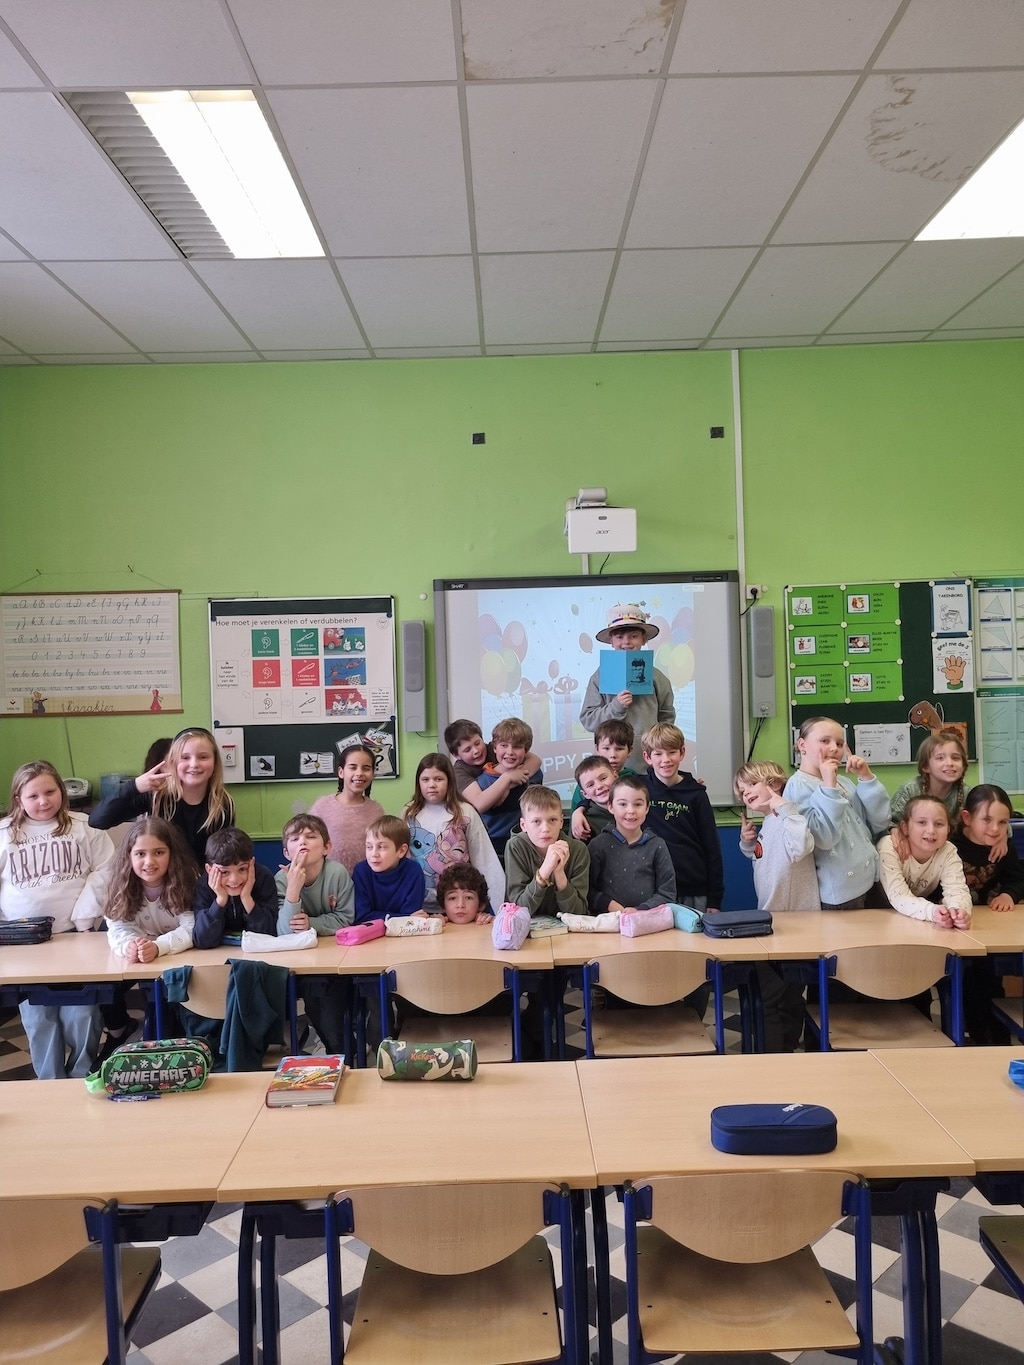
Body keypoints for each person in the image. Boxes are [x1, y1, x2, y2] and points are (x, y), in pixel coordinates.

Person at [0, 760, 115, 1078]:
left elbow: (106, 870)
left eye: (50, 792)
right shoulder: (4, 833)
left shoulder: (86, 826)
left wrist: (84, 917)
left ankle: (80, 1076)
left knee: (83, 1013)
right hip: (23, 944)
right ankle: (49, 1081)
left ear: (62, 792)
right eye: (33, 796)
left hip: (75, 937)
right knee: (39, 1017)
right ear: (18, 799)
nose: (43, 801)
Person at [736, 760, 818, 1052]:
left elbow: (800, 848)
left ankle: (776, 1055)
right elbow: (763, 858)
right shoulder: (769, 823)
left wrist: (786, 809)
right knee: (782, 998)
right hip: (774, 922)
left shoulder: (788, 818)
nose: (745, 794)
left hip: (794, 926)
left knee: (777, 999)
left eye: (751, 785)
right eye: (741, 791)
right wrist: (748, 843)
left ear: (775, 785)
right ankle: (783, 1050)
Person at [89, 726, 235, 868]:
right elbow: (97, 820)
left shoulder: (222, 804)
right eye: (185, 757)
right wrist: (134, 786)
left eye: (203, 757)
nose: (194, 764)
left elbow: (221, 857)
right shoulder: (157, 796)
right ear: (174, 762)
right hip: (162, 879)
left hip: (202, 880)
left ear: (215, 762)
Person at [783, 717, 890, 911]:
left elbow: (879, 822)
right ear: (802, 745)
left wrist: (866, 778)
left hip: (870, 879)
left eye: (840, 743)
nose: (834, 748)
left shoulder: (844, 781)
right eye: (825, 741)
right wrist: (828, 786)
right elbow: (823, 839)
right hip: (841, 894)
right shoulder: (797, 786)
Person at [276, 814, 354, 1055]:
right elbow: (285, 932)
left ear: (326, 847)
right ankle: (330, 1047)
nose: (303, 842)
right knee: (314, 1010)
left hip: (337, 960)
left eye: (310, 837)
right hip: (302, 964)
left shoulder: (337, 873)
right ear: (286, 853)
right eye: (295, 839)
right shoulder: (281, 879)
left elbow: (346, 918)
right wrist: (293, 889)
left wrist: (312, 924)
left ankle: (343, 1051)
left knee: (332, 1017)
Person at [952, 784, 1024, 1044]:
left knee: (989, 981)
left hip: (987, 931)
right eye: (987, 820)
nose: (995, 829)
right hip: (955, 928)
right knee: (967, 983)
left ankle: (996, 1041)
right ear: (967, 818)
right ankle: (976, 1037)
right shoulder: (950, 846)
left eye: (1002, 822)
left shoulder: (1004, 847)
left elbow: (1017, 880)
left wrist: (1008, 895)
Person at [403, 753, 505, 911]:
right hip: (420, 907)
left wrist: (496, 909)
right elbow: (400, 860)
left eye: (438, 779)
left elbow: (485, 860)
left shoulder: (465, 812)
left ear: (449, 781)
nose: (432, 785)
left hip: (460, 907)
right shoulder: (408, 814)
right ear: (418, 783)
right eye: (425, 779)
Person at [579, 605, 675, 771]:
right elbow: (588, 720)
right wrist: (616, 706)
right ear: (611, 641)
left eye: (634, 636)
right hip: (612, 767)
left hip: (649, 765)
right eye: (619, 637)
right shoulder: (600, 677)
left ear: (644, 639)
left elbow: (666, 718)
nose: (626, 642)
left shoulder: (657, 678)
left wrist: (660, 751)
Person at [642, 723, 723, 913]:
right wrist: (581, 808)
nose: (666, 760)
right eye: (658, 754)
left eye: (672, 752)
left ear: (682, 753)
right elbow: (601, 792)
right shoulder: (639, 789)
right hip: (652, 889)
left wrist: (714, 900)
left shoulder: (697, 794)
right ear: (647, 757)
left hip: (693, 890)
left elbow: (712, 847)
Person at [104, 816, 198, 960]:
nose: (149, 862)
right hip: (143, 960)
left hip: (182, 958)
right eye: (140, 854)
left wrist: (159, 947)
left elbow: (192, 927)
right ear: (129, 856)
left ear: (172, 854)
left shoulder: (187, 883)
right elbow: (118, 927)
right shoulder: (120, 886)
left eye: (158, 853)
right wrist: (129, 946)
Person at [878, 796, 972, 927]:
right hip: (877, 914)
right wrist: (931, 912)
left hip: (912, 919)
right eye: (922, 822)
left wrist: (958, 911)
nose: (931, 830)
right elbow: (898, 896)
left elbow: (957, 889)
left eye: (939, 824)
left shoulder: (948, 851)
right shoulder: (890, 847)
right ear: (905, 827)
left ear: (948, 829)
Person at [587, 775, 675, 914]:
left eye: (638, 804)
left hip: (647, 920)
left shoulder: (657, 845)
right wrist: (608, 904)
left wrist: (640, 910)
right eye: (623, 804)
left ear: (647, 808)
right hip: (608, 920)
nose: (631, 811)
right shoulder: (598, 845)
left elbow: (667, 893)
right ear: (610, 806)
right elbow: (587, 889)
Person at [462, 717, 543, 859]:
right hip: (493, 848)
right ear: (494, 748)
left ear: (526, 750)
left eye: (517, 746)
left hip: (527, 844)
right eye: (504, 745)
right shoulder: (483, 782)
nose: (510, 752)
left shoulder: (534, 775)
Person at [504, 784, 590, 918]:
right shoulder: (515, 846)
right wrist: (544, 871)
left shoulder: (578, 850)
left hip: (567, 928)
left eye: (552, 820)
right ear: (523, 825)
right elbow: (517, 911)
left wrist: (559, 873)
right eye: (536, 821)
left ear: (561, 822)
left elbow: (579, 913)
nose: (545, 828)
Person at [192, 827, 278, 947]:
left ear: (252, 864)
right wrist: (220, 900)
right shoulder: (204, 885)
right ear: (209, 869)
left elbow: (269, 935)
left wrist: (247, 898)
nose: (234, 879)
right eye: (224, 872)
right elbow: (202, 941)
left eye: (242, 869)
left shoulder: (263, 877)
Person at [308, 743, 385, 873]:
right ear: (341, 772)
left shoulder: (376, 811)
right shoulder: (322, 807)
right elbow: (309, 842)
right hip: (329, 879)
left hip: (366, 880)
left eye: (366, 768)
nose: (359, 773)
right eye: (353, 767)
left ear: (373, 774)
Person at [352, 815, 426, 924]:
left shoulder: (414, 872)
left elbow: (411, 919)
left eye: (381, 847)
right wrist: (403, 918)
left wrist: (405, 919)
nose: (374, 854)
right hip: (370, 933)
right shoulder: (361, 872)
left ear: (401, 851)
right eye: (369, 847)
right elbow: (361, 916)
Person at [569, 719, 635, 837]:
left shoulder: (634, 779)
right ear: (597, 749)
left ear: (629, 751)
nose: (612, 755)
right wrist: (577, 812)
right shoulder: (584, 783)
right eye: (606, 748)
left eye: (619, 749)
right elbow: (576, 819)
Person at [889, 729, 969, 826]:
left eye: (955, 758)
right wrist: (894, 830)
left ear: (963, 765)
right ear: (926, 766)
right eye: (940, 758)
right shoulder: (910, 789)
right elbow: (889, 824)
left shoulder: (966, 793)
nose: (949, 763)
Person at [444, 718, 540, 796]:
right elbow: (479, 803)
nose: (476, 751)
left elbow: (535, 760)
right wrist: (507, 779)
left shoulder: (495, 748)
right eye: (467, 750)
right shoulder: (459, 772)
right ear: (457, 755)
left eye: (477, 743)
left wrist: (514, 780)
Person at [569, 755, 617, 841]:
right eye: (590, 785)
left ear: (615, 776)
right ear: (585, 794)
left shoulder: (633, 806)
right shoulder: (584, 822)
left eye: (603, 778)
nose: (599, 786)